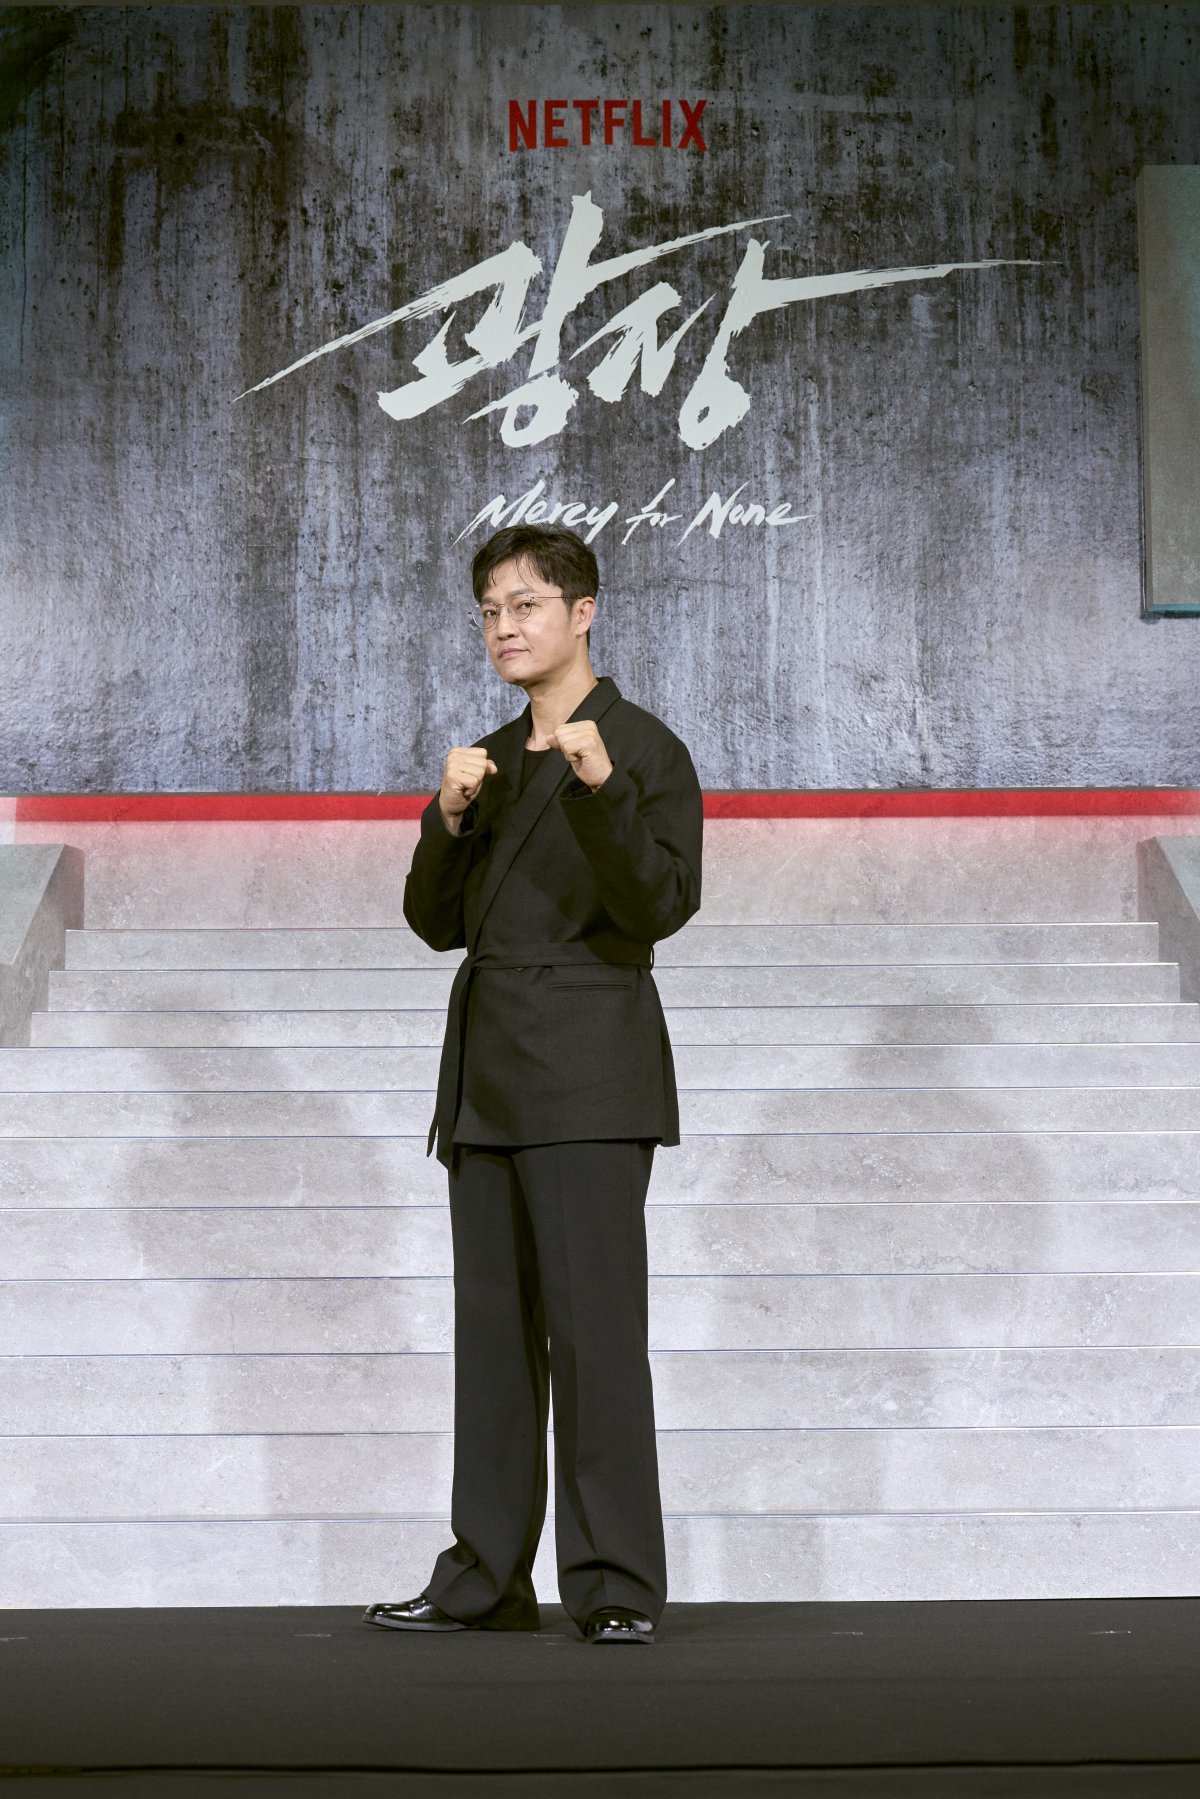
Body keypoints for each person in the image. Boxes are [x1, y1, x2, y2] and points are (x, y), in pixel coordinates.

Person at [363, 523, 704, 1646]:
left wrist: (600, 789)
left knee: (596, 1337)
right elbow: (435, 924)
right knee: (493, 1339)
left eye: (525, 606)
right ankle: (485, 1577)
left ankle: (614, 1584)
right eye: (489, 613)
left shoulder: (643, 748)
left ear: (583, 611)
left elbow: (659, 907)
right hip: (492, 1074)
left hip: (591, 1072)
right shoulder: (489, 757)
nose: (504, 627)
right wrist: (448, 817)